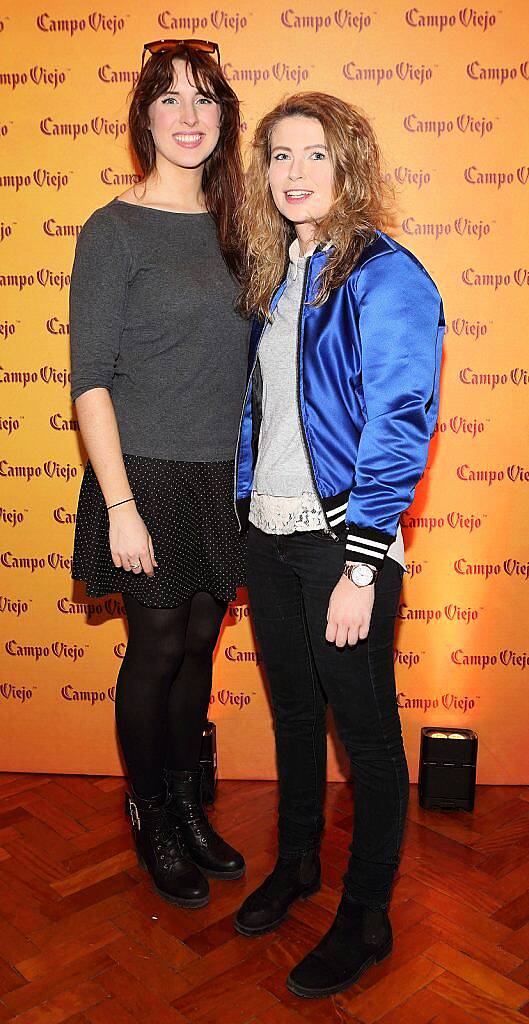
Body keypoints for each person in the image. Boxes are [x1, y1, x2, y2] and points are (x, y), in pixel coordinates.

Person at [233, 92, 445, 997]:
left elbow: (400, 421)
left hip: (340, 544)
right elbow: (269, 415)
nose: (292, 173)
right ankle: (296, 866)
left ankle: (366, 917)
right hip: (270, 533)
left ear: (349, 163)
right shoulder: (278, 273)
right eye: (278, 156)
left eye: (312, 154)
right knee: (289, 716)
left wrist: (363, 563)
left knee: (365, 739)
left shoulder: (387, 275)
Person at [69, 39, 247, 909]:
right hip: (143, 472)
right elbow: (90, 379)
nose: (187, 116)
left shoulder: (239, 228)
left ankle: (184, 799)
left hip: (222, 475)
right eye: (169, 99)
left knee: (202, 645)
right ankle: (148, 814)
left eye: (204, 100)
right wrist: (120, 506)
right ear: (144, 117)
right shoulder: (113, 229)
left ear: (224, 118)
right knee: (156, 649)